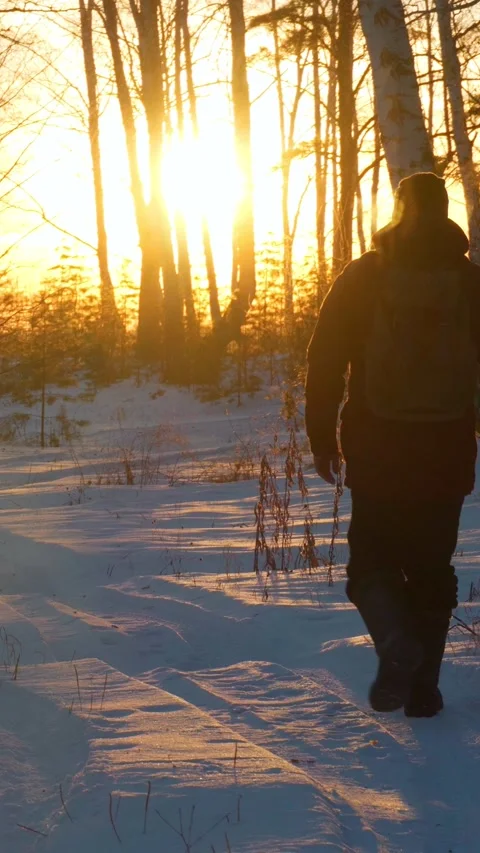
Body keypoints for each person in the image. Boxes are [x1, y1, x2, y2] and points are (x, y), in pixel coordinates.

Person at [305, 172, 480, 718]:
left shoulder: (364, 277)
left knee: (370, 568)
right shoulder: (471, 282)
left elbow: (325, 359)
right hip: (447, 448)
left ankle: (395, 642)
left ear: (399, 210)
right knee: (432, 567)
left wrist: (320, 435)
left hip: (378, 445)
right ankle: (423, 692)